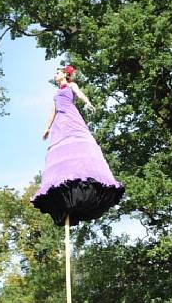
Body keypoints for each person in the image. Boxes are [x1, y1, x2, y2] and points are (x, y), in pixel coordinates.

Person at [32, 65, 124, 226]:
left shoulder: (71, 86)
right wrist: (47, 128)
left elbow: (80, 94)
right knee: (62, 149)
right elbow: (53, 112)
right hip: (60, 123)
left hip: (71, 117)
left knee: (77, 143)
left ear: (64, 75)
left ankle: (80, 174)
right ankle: (64, 177)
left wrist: (87, 102)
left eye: (57, 73)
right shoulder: (55, 94)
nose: (55, 75)